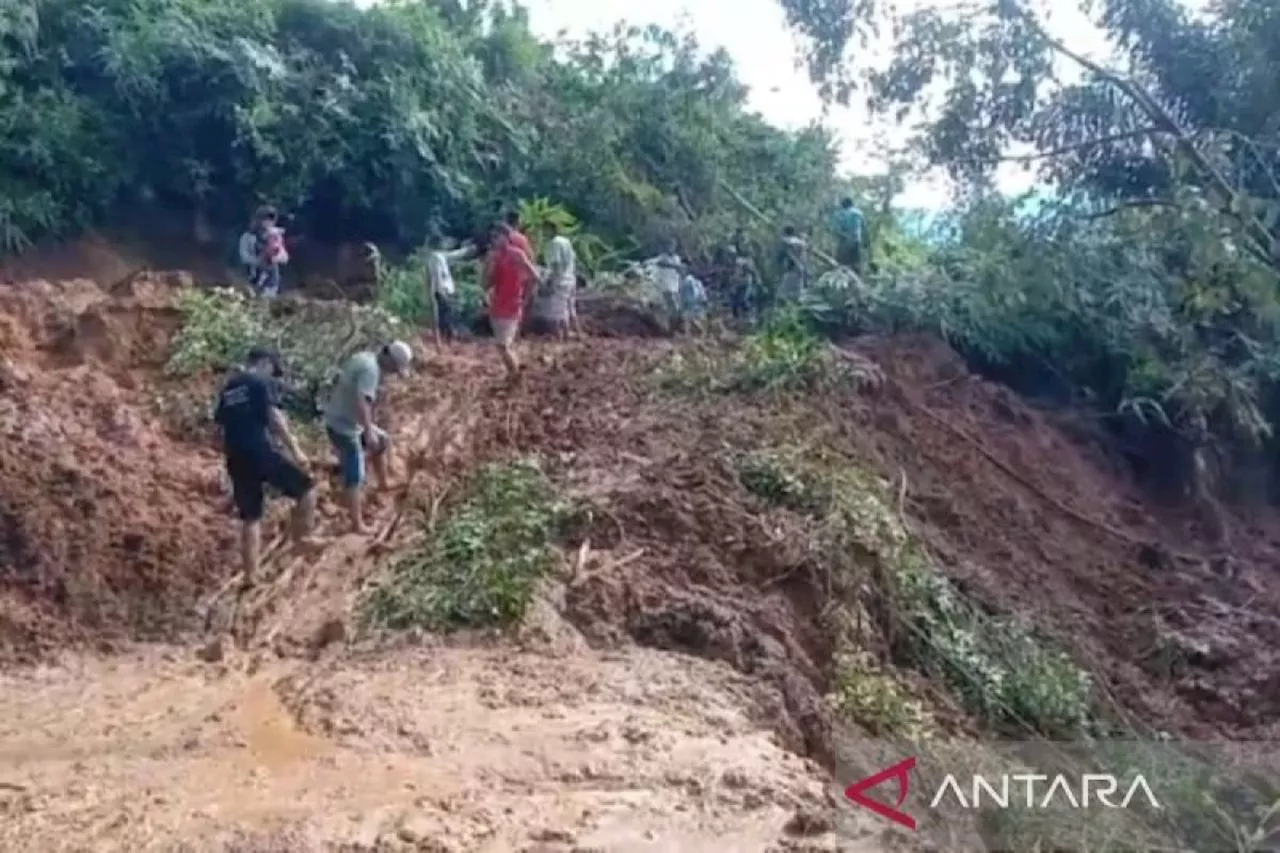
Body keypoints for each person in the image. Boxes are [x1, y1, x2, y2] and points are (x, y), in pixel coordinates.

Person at [213, 346, 318, 586]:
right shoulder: (259, 382)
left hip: (235, 456)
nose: (272, 374)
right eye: (273, 369)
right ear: (265, 363)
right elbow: (275, 418)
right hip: (259, 450)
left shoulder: (229, 388)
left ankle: (251, 576)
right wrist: (296, 450)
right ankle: (304, 539)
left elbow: (220, 426)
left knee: (251, 517)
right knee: (307, 489)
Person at [323, 341, 413, 534]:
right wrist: (368, 430)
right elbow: (363, 401)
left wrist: (371, 429)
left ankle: (383, 483)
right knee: (356, 474)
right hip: (343, 426)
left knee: (383, 441)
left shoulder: (365, 357)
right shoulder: (370, 370)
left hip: (345, 419)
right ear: (388, 358)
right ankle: (357, 524)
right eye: (394, 368)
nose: (392, 373)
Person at [485, 223, 542, 378]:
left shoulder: (517, 255)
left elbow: (535, 276)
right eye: (493, 238)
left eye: (497, 237)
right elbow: (487, 283)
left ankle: (515, 375)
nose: (494, 240)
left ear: (506, 237)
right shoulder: (496, 257)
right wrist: (489, 265)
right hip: (497, 304)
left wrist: (526, 297)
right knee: (502, 345)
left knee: (502, 346)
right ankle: (514, 373)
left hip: (512, 303)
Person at [427, 235, 473, 345]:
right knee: (446, 318)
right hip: (443, 291)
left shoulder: (438, 256)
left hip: (444, 290)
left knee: (447, 316)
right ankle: (447, 342)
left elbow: (454, 255)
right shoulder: (436, 258)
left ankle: (446, 341)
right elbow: (436, 276)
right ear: (438, 244)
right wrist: (441, 292)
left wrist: (467, 250)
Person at [541, 221, 580, 340]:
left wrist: (550, 281)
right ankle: (578, 333)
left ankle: (563, 336)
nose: (543, 233)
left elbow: (556, 265)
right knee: (570, 308)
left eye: (545, 230)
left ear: (551, 230)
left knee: (559, 311)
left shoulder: (553, 244)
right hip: (570, 278)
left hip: (561, 281)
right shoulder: (565, 241)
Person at [645, 239, 685, 322]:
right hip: (666, 286)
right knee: (673, 306)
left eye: (673, 246)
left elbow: (680, 271)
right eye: (669, 246)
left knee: (677, 308)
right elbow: (662, 264)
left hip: (675, 286)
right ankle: (673, 326)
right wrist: (676, 266)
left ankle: (673, 325)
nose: (671, 248)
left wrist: (681, 274)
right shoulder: (662, 258)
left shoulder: (677, 258)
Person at [832, 197, 868, 273]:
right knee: (855, 263)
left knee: (842, 263)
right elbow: (864, 229)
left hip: (845, 241)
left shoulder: (842, 213)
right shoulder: (859, 213)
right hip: (857, 240)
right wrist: (866, 242)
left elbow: (837, 229)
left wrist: (840, 236)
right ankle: (857, 280)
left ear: (844, 205)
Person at [776, 225, 809, 303]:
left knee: (781, 294)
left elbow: (786, 250)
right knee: (798, 293)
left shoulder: (788, 242)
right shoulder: (801, 243)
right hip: (800, 269)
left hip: (793, 269)